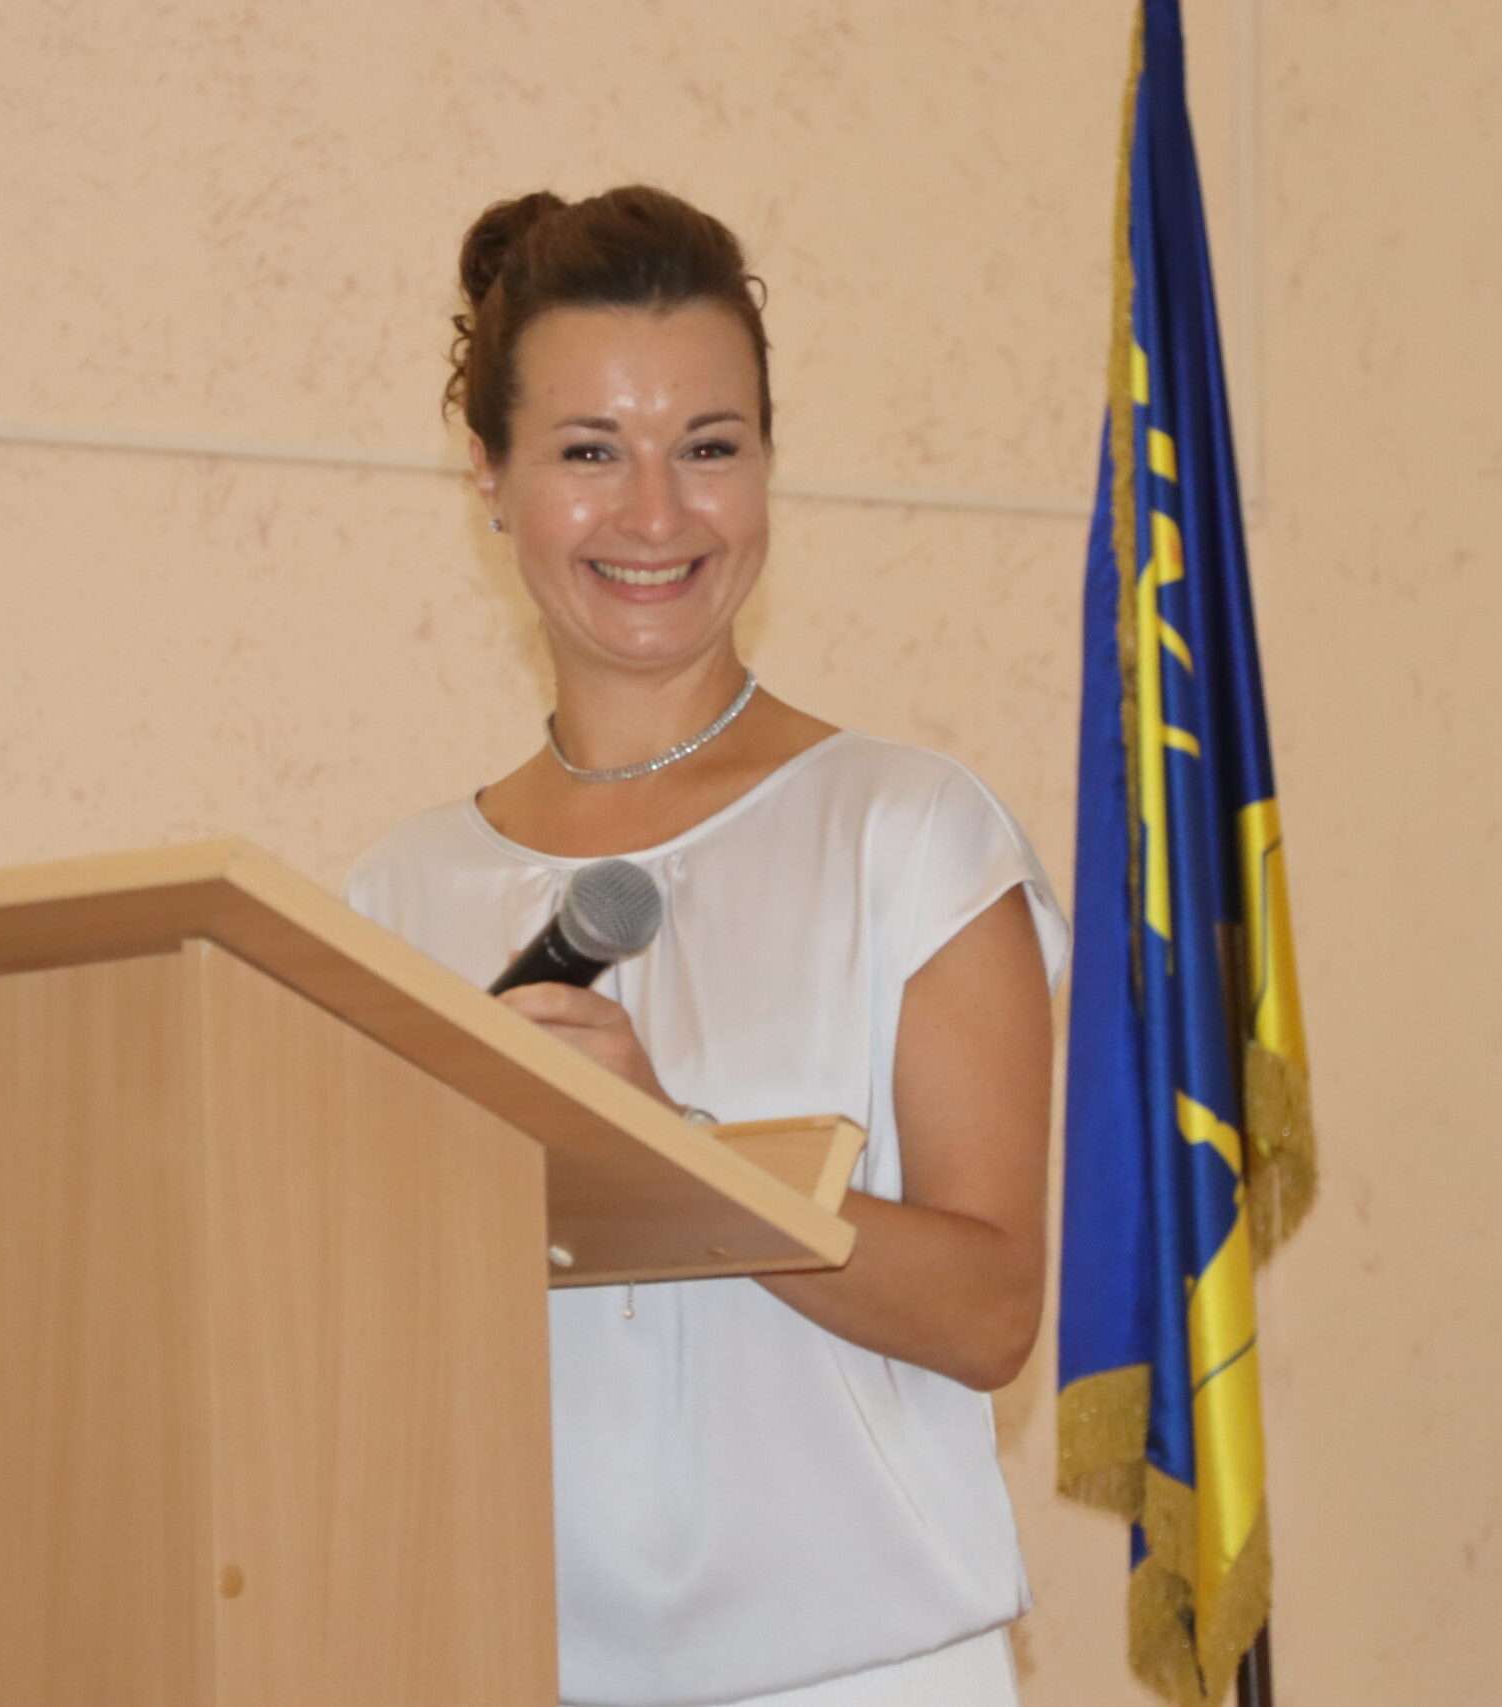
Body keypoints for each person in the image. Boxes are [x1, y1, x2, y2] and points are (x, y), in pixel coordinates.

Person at [345, 185, 1068, 1707]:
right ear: (488, 474)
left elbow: (993, 1313)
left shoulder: (909, 833)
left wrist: (667, 1149)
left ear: (769, 467)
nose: (656, 514)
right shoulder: (401, 896)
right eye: (589, 451)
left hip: (871, 1677)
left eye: (710, 447)